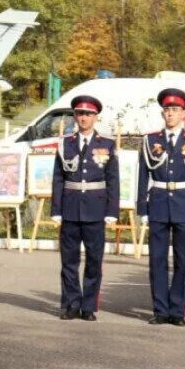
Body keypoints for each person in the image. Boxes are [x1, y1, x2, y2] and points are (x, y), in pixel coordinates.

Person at [137, 88, 185, 327]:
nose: (170, 114)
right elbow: (143, 177)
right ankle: (160, 309)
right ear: (162, 113)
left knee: (182, 259)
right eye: (167, 110)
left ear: (183, 113)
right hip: (157, 202)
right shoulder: (150, 141)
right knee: (157, 259)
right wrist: (142, 209)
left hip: (184, 204)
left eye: (175, 110)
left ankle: (177, 309)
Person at [46, 94, 117, 323]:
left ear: (95, 117)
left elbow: (113, 179)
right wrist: (56, 209)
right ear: (75, 116)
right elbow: (58, 178)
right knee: (69, 261)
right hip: (70, 208)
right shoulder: (65, 143)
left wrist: (112, 211)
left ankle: (88, 306)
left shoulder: (106, 144)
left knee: (94, 261)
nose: (83, 118)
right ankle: (71, 304)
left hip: (96, 210)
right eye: (79, 113)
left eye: (88, 114)